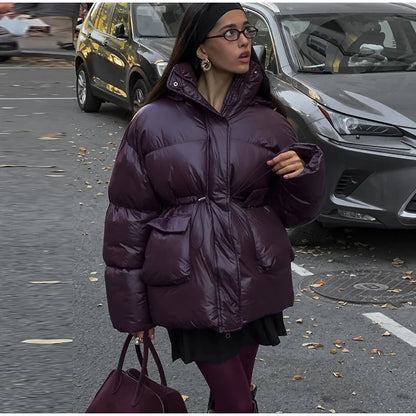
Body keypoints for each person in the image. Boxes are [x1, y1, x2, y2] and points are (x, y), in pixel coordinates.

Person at [103, 3, 325, 413]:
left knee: (231, 397)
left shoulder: (270, 121)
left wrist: (303, 173)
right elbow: (128, 218)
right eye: (230, 33)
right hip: (190, 285)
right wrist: (133, 310)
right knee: (237, 403)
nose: (244, 42)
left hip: (253, 279)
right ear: (200, 48)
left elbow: (295, 213)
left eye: (246, 32)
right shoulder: (152, 121)